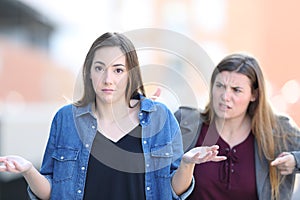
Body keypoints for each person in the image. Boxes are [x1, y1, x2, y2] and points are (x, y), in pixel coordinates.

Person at [0, 32, 226, 200]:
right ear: (89, 72)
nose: (108, 79)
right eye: (99, 68)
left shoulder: (161, 118)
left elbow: (173, 191)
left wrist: (187, 164)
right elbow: (52, 192)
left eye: (118, 70)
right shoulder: (66, 119)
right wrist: (28, 170)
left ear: (131, 74)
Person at [174, 53, 300, 200]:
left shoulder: (279, 132)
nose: (225, 96)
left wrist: (296, 160)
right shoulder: (185, 122)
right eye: (220, 86)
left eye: (236, 90)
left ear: (254, 95)